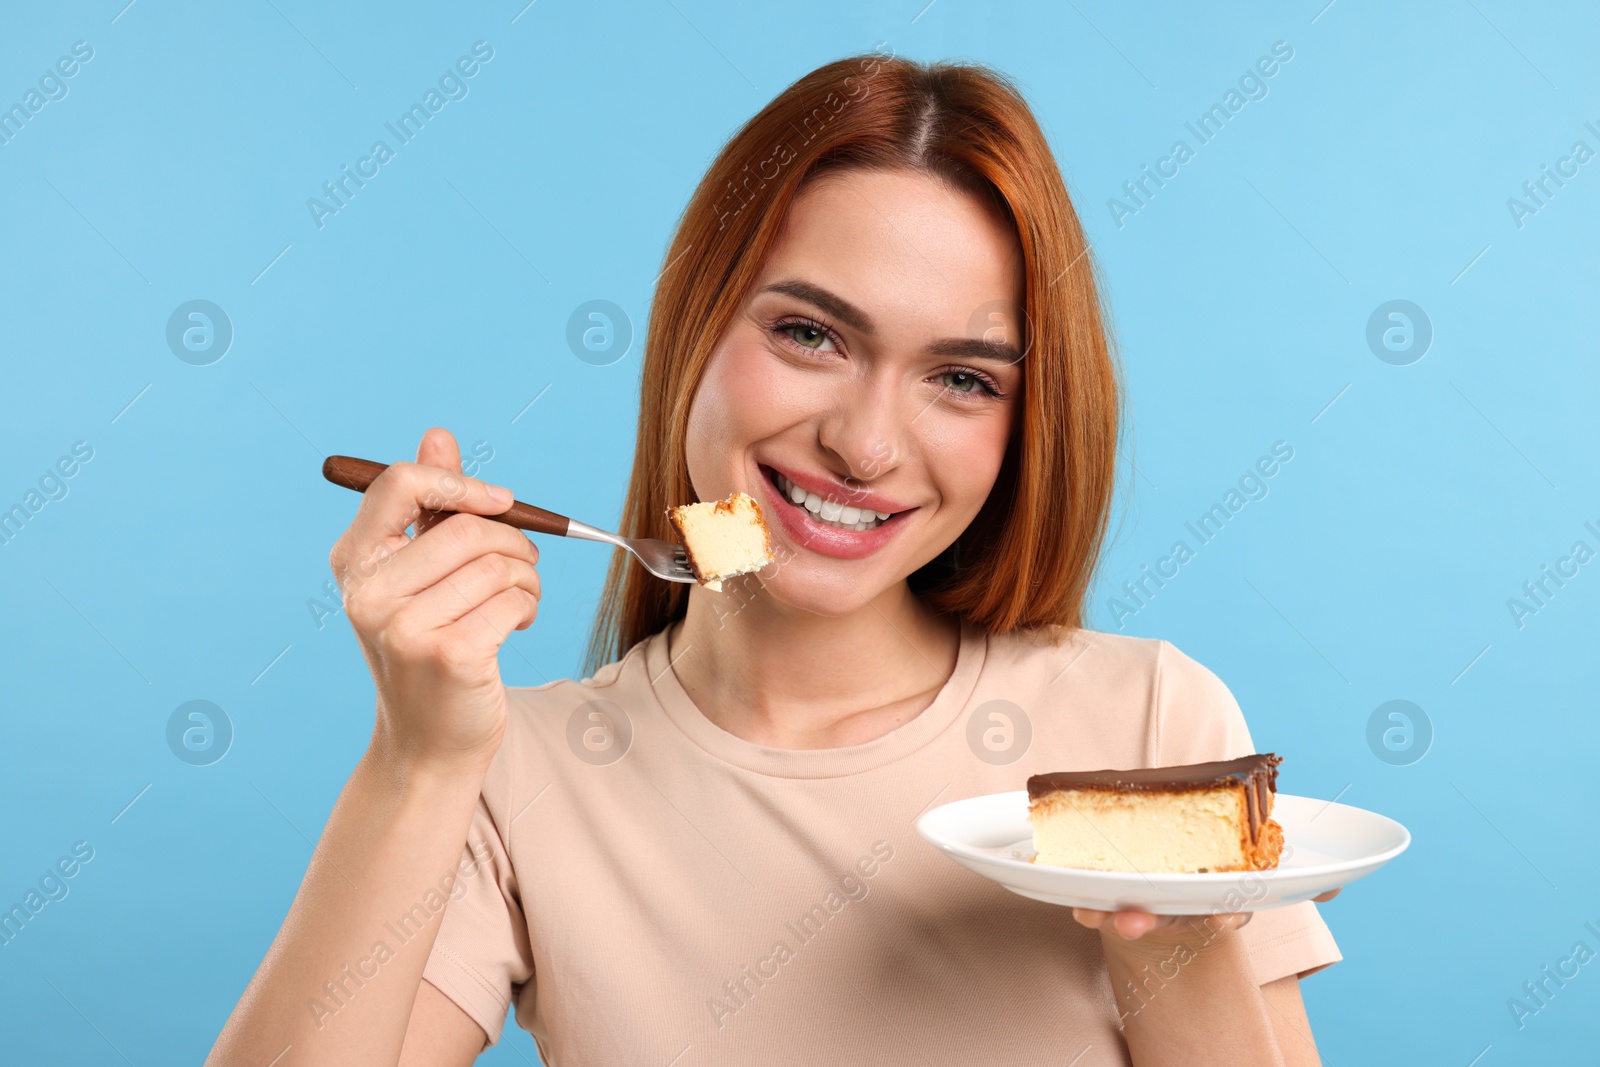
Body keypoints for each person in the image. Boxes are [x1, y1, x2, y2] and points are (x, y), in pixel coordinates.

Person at [206, 51, 1341, 1067]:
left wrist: (1172, 941)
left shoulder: (1145, 721)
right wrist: (414, 764)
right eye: (810, 334)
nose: (865, 442)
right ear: (693, 326)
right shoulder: (512, 771)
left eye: (962, 377)